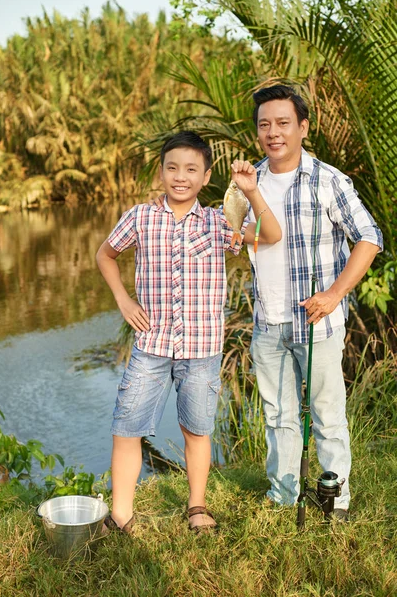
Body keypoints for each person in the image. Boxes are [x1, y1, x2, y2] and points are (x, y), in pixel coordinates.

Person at [96, 131, 281, 533]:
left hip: (202, 350)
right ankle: (121, 514)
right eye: (173, 168)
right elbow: (105, 254)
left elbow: (269, 236)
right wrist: (124, 300)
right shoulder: (140, 217)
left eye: (192, 169)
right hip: (151, 346)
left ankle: (196, 506)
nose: (181, 177)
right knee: (127, 428)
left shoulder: (220, 222)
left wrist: (250, 192)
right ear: (161, 172)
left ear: (206, 175)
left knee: (197, 429)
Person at [245, 85, 383, 519]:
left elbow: (369, 236)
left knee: (326, 415)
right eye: (265, 124)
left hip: (316, 322)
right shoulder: (249, 181)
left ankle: (336, 499)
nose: (273, 132)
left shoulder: (328, 180)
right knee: (278, 415)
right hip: (267, 322)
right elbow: (243, 236)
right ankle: (283, 494)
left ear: (303, 127)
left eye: (283, 123)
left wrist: (334, 294)